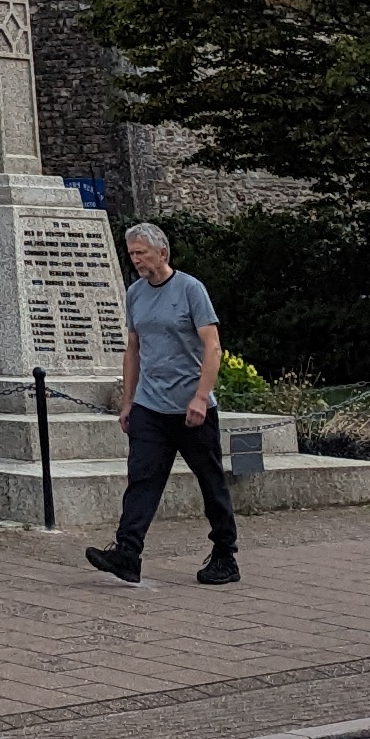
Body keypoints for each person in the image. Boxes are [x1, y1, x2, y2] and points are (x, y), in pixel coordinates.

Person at [84, 220, 238, 586]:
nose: (136, 259)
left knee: (210, 481)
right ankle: (127, 553)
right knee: (142, 479)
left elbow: (212, 346)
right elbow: (133, 349)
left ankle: (224, 554)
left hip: (191, 409)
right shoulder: (135, 293)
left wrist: (201, 397)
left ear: (162, 252)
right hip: (150, 408)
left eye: (142, 252)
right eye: (132, 253)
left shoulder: (190, 290)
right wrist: (128, 401)